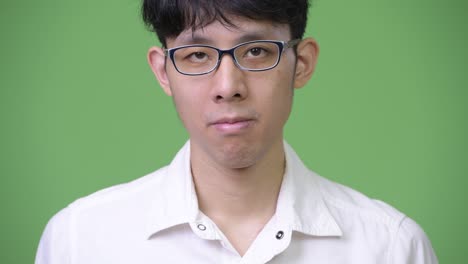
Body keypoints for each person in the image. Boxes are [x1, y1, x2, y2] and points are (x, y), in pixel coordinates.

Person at [35, 0, 438, 263]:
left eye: (257, 51)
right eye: (197, 55)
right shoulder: (79, 240)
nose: (228, 86)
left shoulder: (391, 247)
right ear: (163, 71)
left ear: (302, 63)